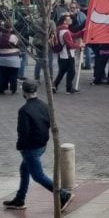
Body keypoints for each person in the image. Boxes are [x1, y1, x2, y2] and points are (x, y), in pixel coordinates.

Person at [3, 81, 73, 211]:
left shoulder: (24, 110)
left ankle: (63, 195)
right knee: (24, 170)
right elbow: (48, 124)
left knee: (38, 175)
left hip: (30, 148)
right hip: (41, 145)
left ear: (24, 92)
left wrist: (20, 146)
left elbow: (23, 132)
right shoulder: (45, 105)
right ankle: (19, 199)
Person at [52, 15, 82, 94]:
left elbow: (73, 35)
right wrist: (80, 45)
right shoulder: (65, 31)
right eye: (69, 19)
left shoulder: (60, 29)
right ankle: (69, 88)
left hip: (62, 54)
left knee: (62, 71)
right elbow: (70, 45)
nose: (71, 20)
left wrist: (82, 32)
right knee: (71, 72)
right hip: (68, 55)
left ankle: (54, 85)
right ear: (65, 21)